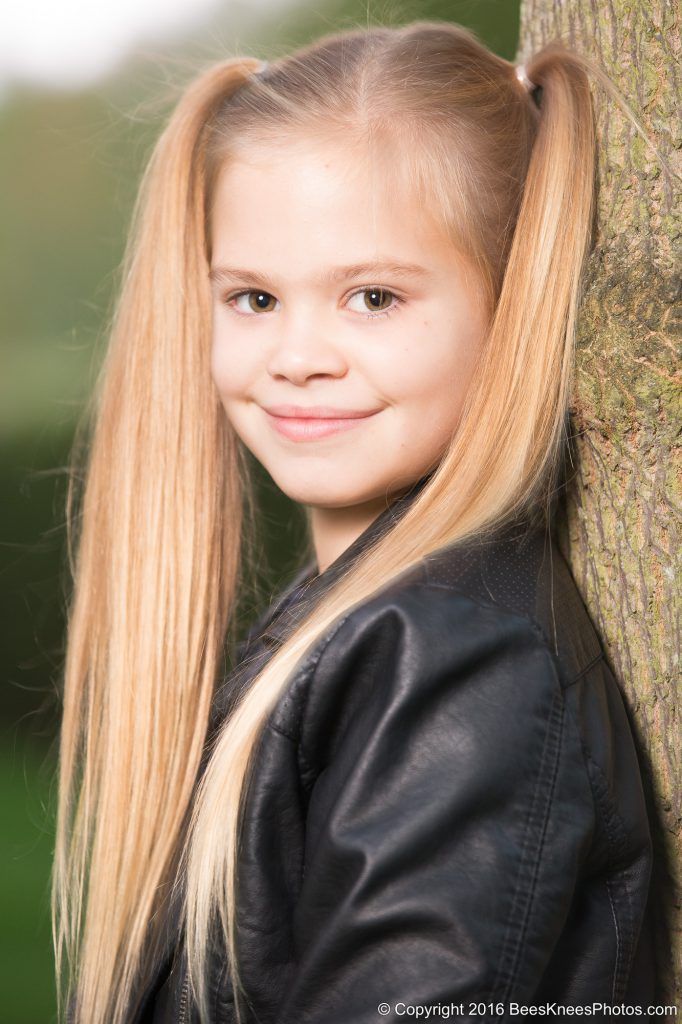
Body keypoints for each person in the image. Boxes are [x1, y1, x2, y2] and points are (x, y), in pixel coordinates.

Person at [55, 20, 662, 1024]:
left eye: (371, 297)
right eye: (252, 297)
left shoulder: (455, 661)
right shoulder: (363, 630)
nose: (297, 355)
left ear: (511, 308)